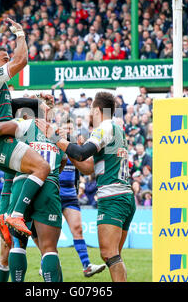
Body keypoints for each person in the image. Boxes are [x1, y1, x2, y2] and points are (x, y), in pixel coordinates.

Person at [36, 92, 136, 282]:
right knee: (114, 255)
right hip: (124, 197)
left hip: (113, 197)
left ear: (97, 110)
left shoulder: (103, 128)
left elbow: (82, 154)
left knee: (109, 254)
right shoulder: (116, 129)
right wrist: (71, 147)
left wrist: (55, 138)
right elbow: (88, 167)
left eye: (91, 110)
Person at [0, 99, 68, 282]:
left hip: (21, 184)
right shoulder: (53, 134)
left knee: (17, 246)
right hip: (48, 186)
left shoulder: (23, 124)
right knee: (49, 248)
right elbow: (63, 161)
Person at [0, 17, 52, 239]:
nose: (7, 61)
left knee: (13, 176)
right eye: (3, 59)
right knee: (42, 167)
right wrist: (20, 33)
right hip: (0, 142)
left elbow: (9, 106)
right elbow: (21, 60)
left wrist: (37, 97)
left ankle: (3, 216)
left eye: (7, 59)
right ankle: (17, 214)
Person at [58, 119, 106, 277]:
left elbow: (81, 172)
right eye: (66, 128)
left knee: (78, 229)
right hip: (53, 194)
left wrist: (80, 187)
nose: (69, 132)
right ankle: (47, 263)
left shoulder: (76, 150)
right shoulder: (54, 145)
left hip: (70, 195)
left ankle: (87, 266)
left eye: (71, 129)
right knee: (50, 236)